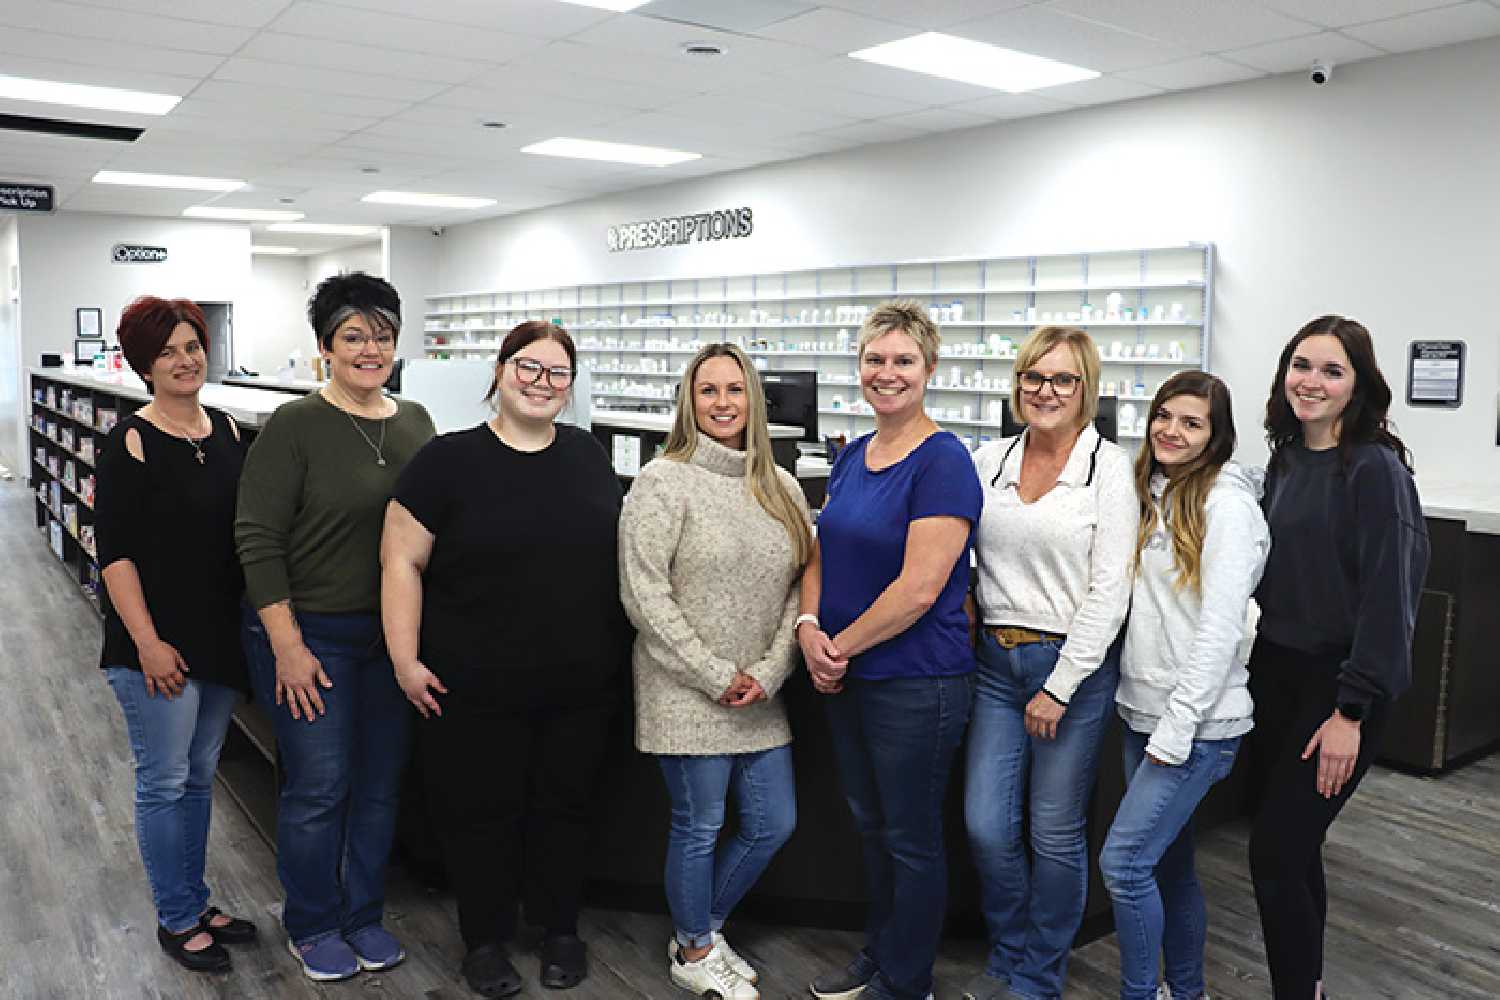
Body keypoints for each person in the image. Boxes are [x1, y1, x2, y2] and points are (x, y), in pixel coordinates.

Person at [381, 320, 630, 998]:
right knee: (480, 812)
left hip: (579, 680)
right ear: (500, 371)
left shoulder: (586, 456)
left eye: (557, 373)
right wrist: (405, 659)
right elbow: (400, 560)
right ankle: (484, 940)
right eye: (528, 367)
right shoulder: (447, 460)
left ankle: (558, 929)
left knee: (566, 807)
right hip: (475, 683)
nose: (541, 383)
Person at [236, 272, 435, 982]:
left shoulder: (414, 421)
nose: (369, 349)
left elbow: (435, 526)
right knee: (320, 786)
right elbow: (256, 538)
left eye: (382, 336)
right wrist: (287, 646)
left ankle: (363, 914)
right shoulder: (295, 426)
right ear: (325, 347)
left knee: (381, 785)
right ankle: (313, 921)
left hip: (391, 639)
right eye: (353, 336)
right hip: (310, 633)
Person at [800, 301, 982, 1000]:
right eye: (875, 359)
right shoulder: (852, 454)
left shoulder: (943, 462)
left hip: (916, 682)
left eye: (903, 360)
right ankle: (880, 954)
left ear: (929, 370)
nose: (887, 373)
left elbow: (918, 589)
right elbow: (822, 550)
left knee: (910, 839)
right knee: (872, 829)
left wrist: (835, 649)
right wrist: (808, 627)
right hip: (849, 673)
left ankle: (909, 981)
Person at [619, 344, 811, 1000]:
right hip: (685, 689)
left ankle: (703, 927)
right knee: (699, 825)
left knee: (772, 823)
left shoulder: (779, 485)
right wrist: (711, 672)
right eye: (709, 391)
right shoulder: (663, 481)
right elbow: (643, 593)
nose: (723, 402)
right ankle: (694, 950)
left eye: (735, 390)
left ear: (754, 400)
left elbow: (799, 588)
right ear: (688, 400)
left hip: (759, 689)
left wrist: (770, 668)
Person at [1247, 315, 1429, 1000]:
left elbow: (1391, 599)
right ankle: (1310, 985)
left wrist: (1350, 711)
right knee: (1296, 852)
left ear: (1359, 384)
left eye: (1332, 370)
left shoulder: (1376, 471)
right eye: (1302, 365)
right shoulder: (1288, 459)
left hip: (1339, 688)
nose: (1312, 382)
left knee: (1274, 852)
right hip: (1276, 676)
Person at [964, 326, 1137, 1000]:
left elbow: (1110, 590)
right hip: (994, 665)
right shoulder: (988, 460)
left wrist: (1062, 686)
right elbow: (967, 549)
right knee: (984, 823)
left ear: (1086, 390)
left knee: (1054, 831)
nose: (1046, 391)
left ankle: (1038, 975)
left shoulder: (1109, 470)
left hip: (1070, 669)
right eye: (1034, 377)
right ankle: (1010, 950)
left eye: (1063, 379)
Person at [96, 296, 257, 973]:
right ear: (144, 364)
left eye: (192, 346)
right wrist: (148, 642)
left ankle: (195, 901)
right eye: (167, 352)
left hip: (217, 637)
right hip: (155, 646)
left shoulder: (225, 431)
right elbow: (116, 554)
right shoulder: (128, 441)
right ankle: (175, 917)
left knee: (197, 778)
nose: (185, 360)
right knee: (163, 781)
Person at [1098, 371, 1269, 1000]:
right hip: (1143, 713)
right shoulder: (1156, 490)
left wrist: (1176, 729)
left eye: (1191, 422)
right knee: (1168, 867)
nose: (1172, 430)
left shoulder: (1227, 507)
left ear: (1215, 434)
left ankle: (1141, 994)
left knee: (1123, 864)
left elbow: (1218, 631)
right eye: (1164, 415)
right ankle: (1187, 991)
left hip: (1196, 726)